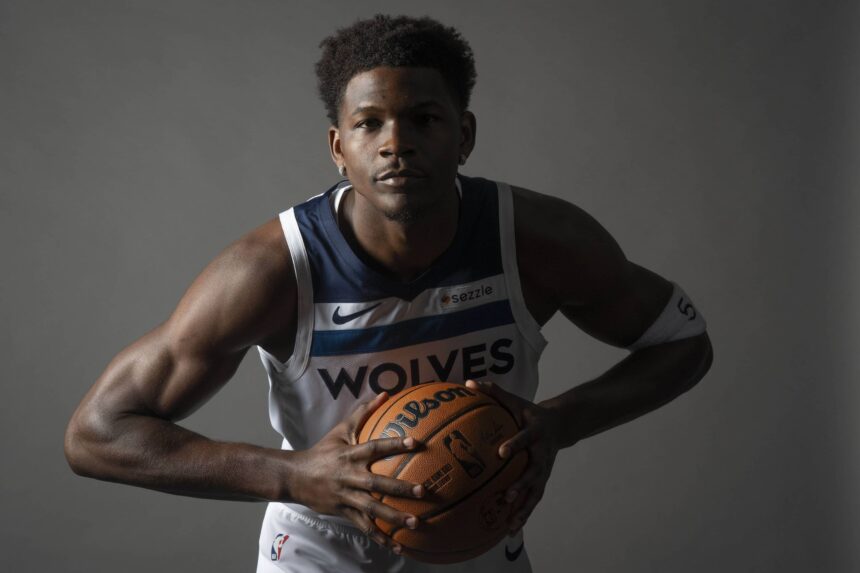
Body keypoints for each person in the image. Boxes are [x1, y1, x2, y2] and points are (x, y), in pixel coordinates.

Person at [64, 14, 713, 573]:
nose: (395, 144)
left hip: (478, 548)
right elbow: (97, 433)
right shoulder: (272, 269)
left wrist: (560, 423)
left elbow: (684, 344)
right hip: (318, 555)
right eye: (369, 124)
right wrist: (294, 475)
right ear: (338, 148)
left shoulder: (536, 240)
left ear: (463, 134)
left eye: (423, 119)